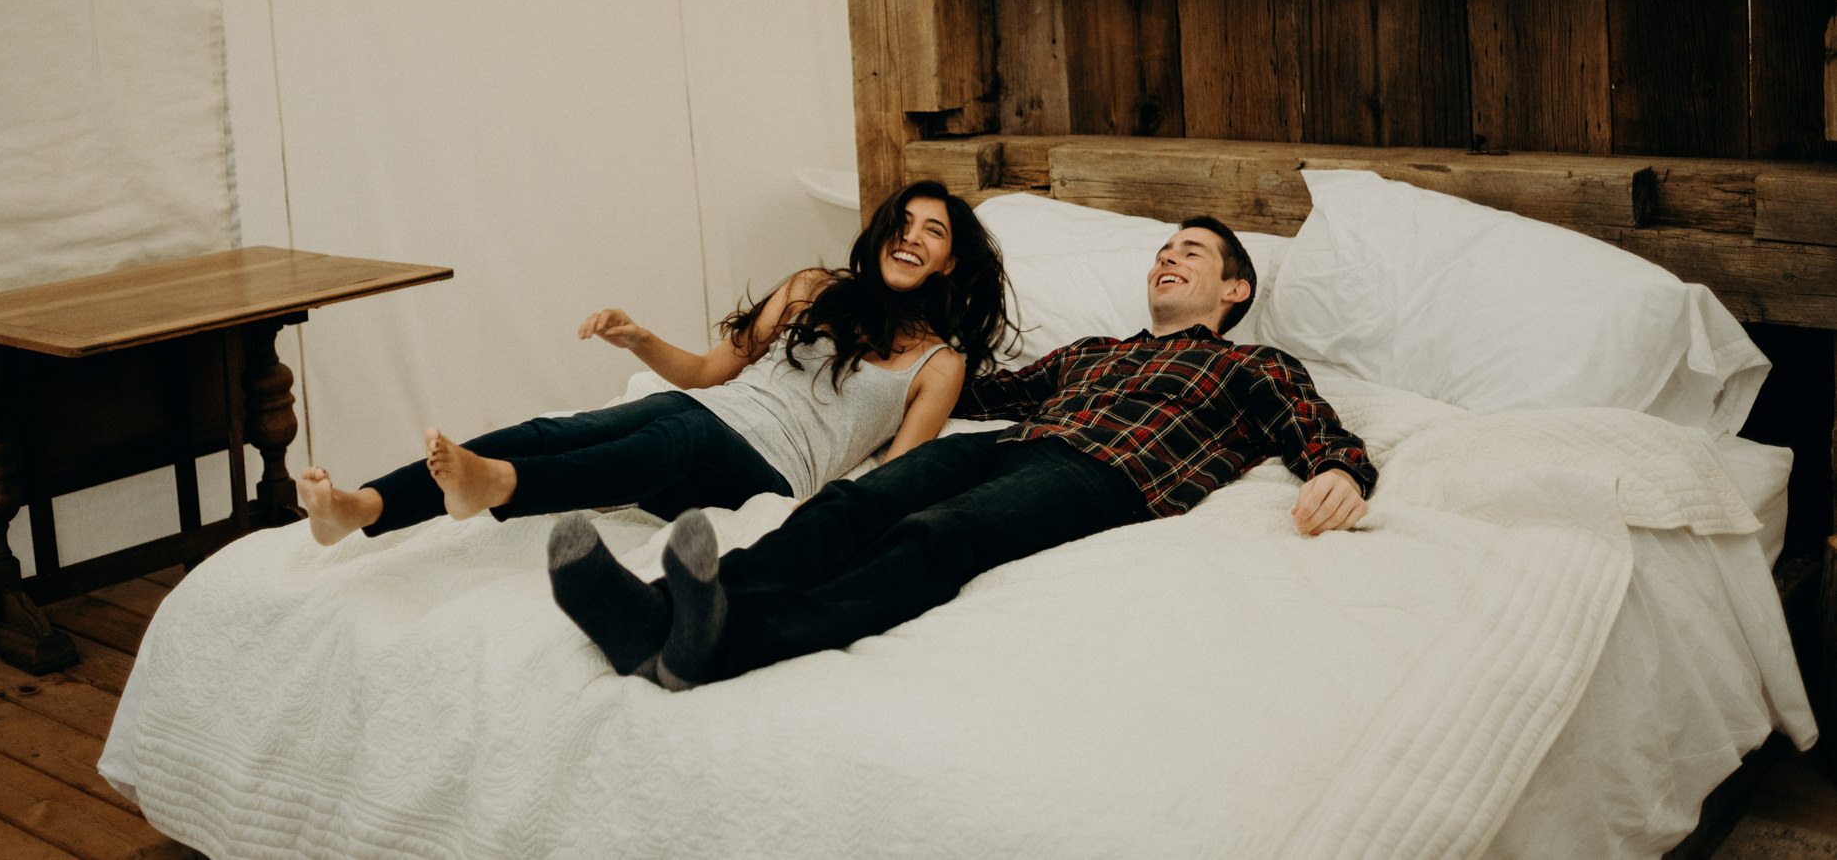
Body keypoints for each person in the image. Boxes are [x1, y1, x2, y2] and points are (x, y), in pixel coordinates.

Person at [545, 215, 1376, 687]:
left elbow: (1314, 428)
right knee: (858, 501)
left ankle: (728, 644)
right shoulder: (1090, 352)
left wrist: (1339, 471)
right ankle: (653, 614)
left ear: (1234, 289)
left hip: (1106, 474)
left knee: (938, 536)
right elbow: (968, 388)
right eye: (1162, 250)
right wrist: (870, 332)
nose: (1168, 258)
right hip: (1018, 444)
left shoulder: (1251, 364)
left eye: (1190, 252)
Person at [294, 180, 1015, 545]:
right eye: (904, 223)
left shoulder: (937, 364)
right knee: (562, 430)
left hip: (768, 469)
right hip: (702, 412)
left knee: (671, 441)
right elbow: (707, 373)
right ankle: (359, 508)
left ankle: (498, 485)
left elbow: (899, 474)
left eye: (934, 231)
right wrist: (637, 338)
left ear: (951, 263)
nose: (912, 237)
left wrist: (818, 519)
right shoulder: (810, 289)